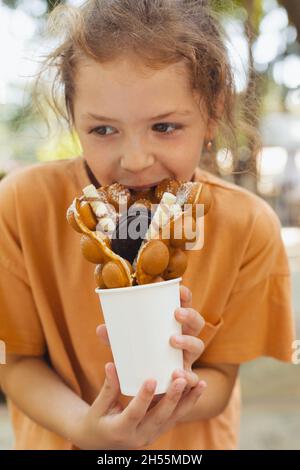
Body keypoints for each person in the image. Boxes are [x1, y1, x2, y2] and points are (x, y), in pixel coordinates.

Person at [0, 0, 295, 450]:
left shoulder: (247, 227)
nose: (135, 161)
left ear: (212, 112)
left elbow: (220, 376)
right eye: (103, 130)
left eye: (164, 126)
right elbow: (16, 362)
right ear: (74, 118)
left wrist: (179, 390)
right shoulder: (21, 207)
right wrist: (85, 428)